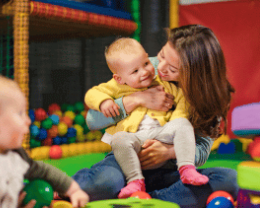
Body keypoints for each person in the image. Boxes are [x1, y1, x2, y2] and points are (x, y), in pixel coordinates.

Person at [73, 24, 238, 208]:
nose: (160, 67)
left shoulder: (206, 99)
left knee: (230, 179)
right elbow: (92, 120)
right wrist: (137, 99)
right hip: (126, 159)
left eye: (173, 69)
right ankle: (132, 192)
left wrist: (168, 151)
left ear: (192, 75)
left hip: (170, 169)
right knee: (104, 182)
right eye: (162, 55)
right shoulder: (144, 66)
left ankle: (146, 199)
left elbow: (201, 151)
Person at [85, 37, 209, 198]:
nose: (145, 71)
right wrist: (106, 102)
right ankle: (135, 181)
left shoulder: (165, 84)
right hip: (133, 139)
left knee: (183, 124)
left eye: (146, 64)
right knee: (118, 140)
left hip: (162, 142)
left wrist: (170, 149)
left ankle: (186, 170)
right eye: (136, 71)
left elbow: (182, 108)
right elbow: (92, 104)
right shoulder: (121, 82)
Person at [0, 73, 89, 208]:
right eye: (20, 113)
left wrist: (73, 190)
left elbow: (43, 170)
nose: (28, 121)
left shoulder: (16, 155)